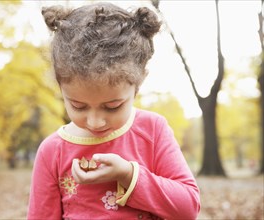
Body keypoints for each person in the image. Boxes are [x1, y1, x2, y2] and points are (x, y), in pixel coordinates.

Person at [27, 2, 200, 220]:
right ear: (60, 87)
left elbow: (188, 207)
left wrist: (128, 175)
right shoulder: (53, 151)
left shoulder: (152, 130)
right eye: (78, 106)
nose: (95, 121)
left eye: (112, 106)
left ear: (138, 83)